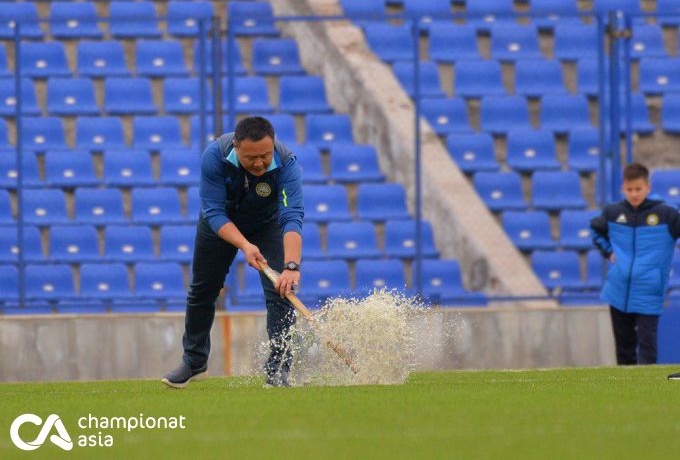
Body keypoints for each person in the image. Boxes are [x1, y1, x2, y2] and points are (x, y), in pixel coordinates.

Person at [162, 116, 304, 389]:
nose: (260, 163)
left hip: (267, 224)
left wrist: (291, 267)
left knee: (281, 293)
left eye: (265, 155)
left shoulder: (287, 164)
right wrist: (244, 245)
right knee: (203, 290)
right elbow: (214, 212)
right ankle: (194, 361)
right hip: (221, 223)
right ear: (237, 148)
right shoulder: (214, 156)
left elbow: (292, 217)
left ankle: (278, 370)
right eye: (251, 157)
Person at [590, 163, 680, 371]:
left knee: (647, 348)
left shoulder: (666, 214)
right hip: (618, 290)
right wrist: (608, 251)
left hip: (650, 290)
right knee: (624, 350)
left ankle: (647, 394)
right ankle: (624, 395)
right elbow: (595, 230)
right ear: (623, 188)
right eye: (629, 190)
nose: (634, 194)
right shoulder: (613, 213)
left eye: (638, 189)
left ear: (648, 187)